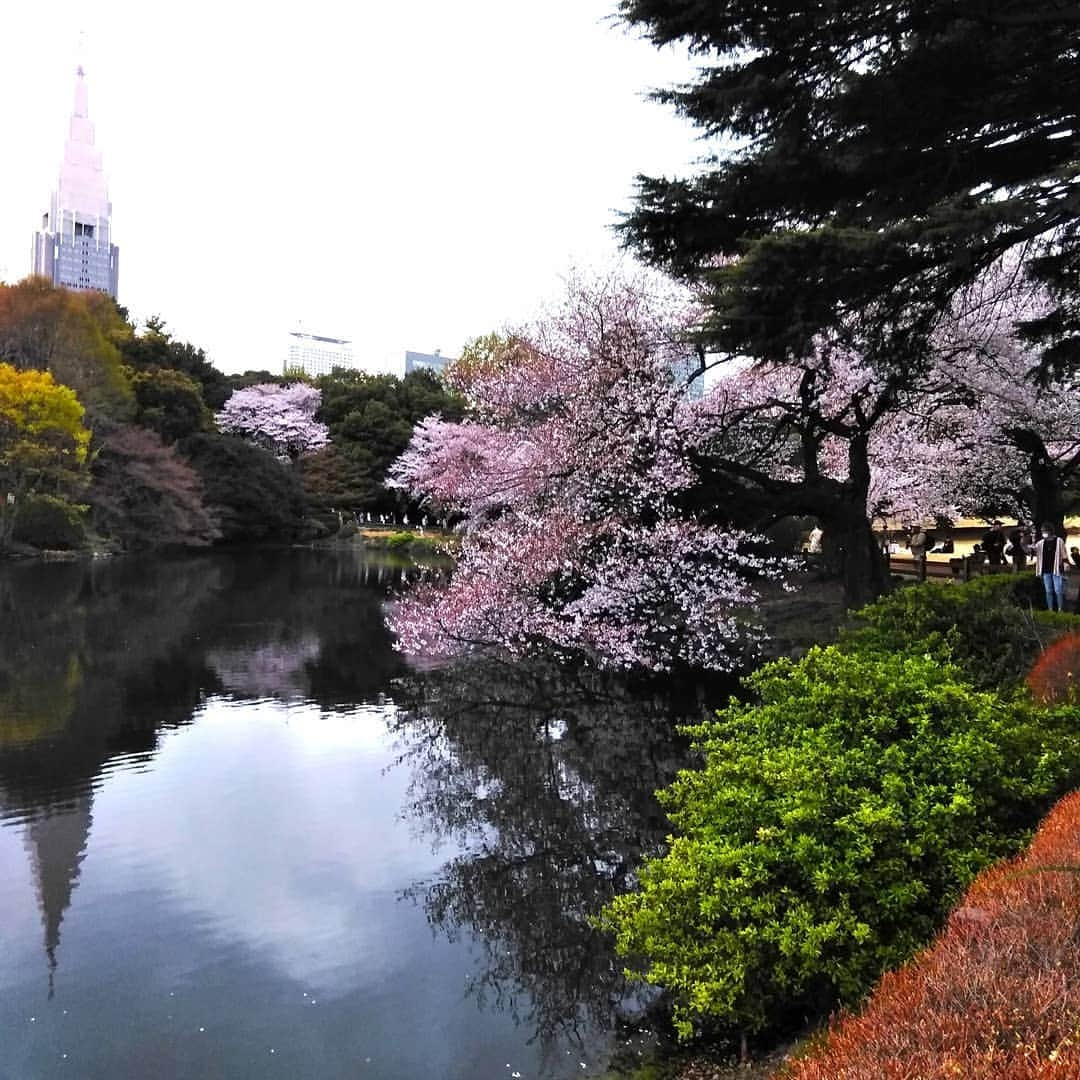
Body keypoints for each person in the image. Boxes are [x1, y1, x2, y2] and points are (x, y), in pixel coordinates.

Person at [1032, 523, 1069, 612]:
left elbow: (1064, 554)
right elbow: (1033, 551)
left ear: (1050, 531)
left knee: (1058, 590)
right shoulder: (1040, 543)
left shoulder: (1059, 541)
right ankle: (1050, 609)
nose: (1043, 533)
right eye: (1042, 531)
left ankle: (1060, 609)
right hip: (1045, 570)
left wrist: (1066, 564)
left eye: (1044, 531)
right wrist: (1028, 546)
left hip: (1056, 569)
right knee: (1048, 591)